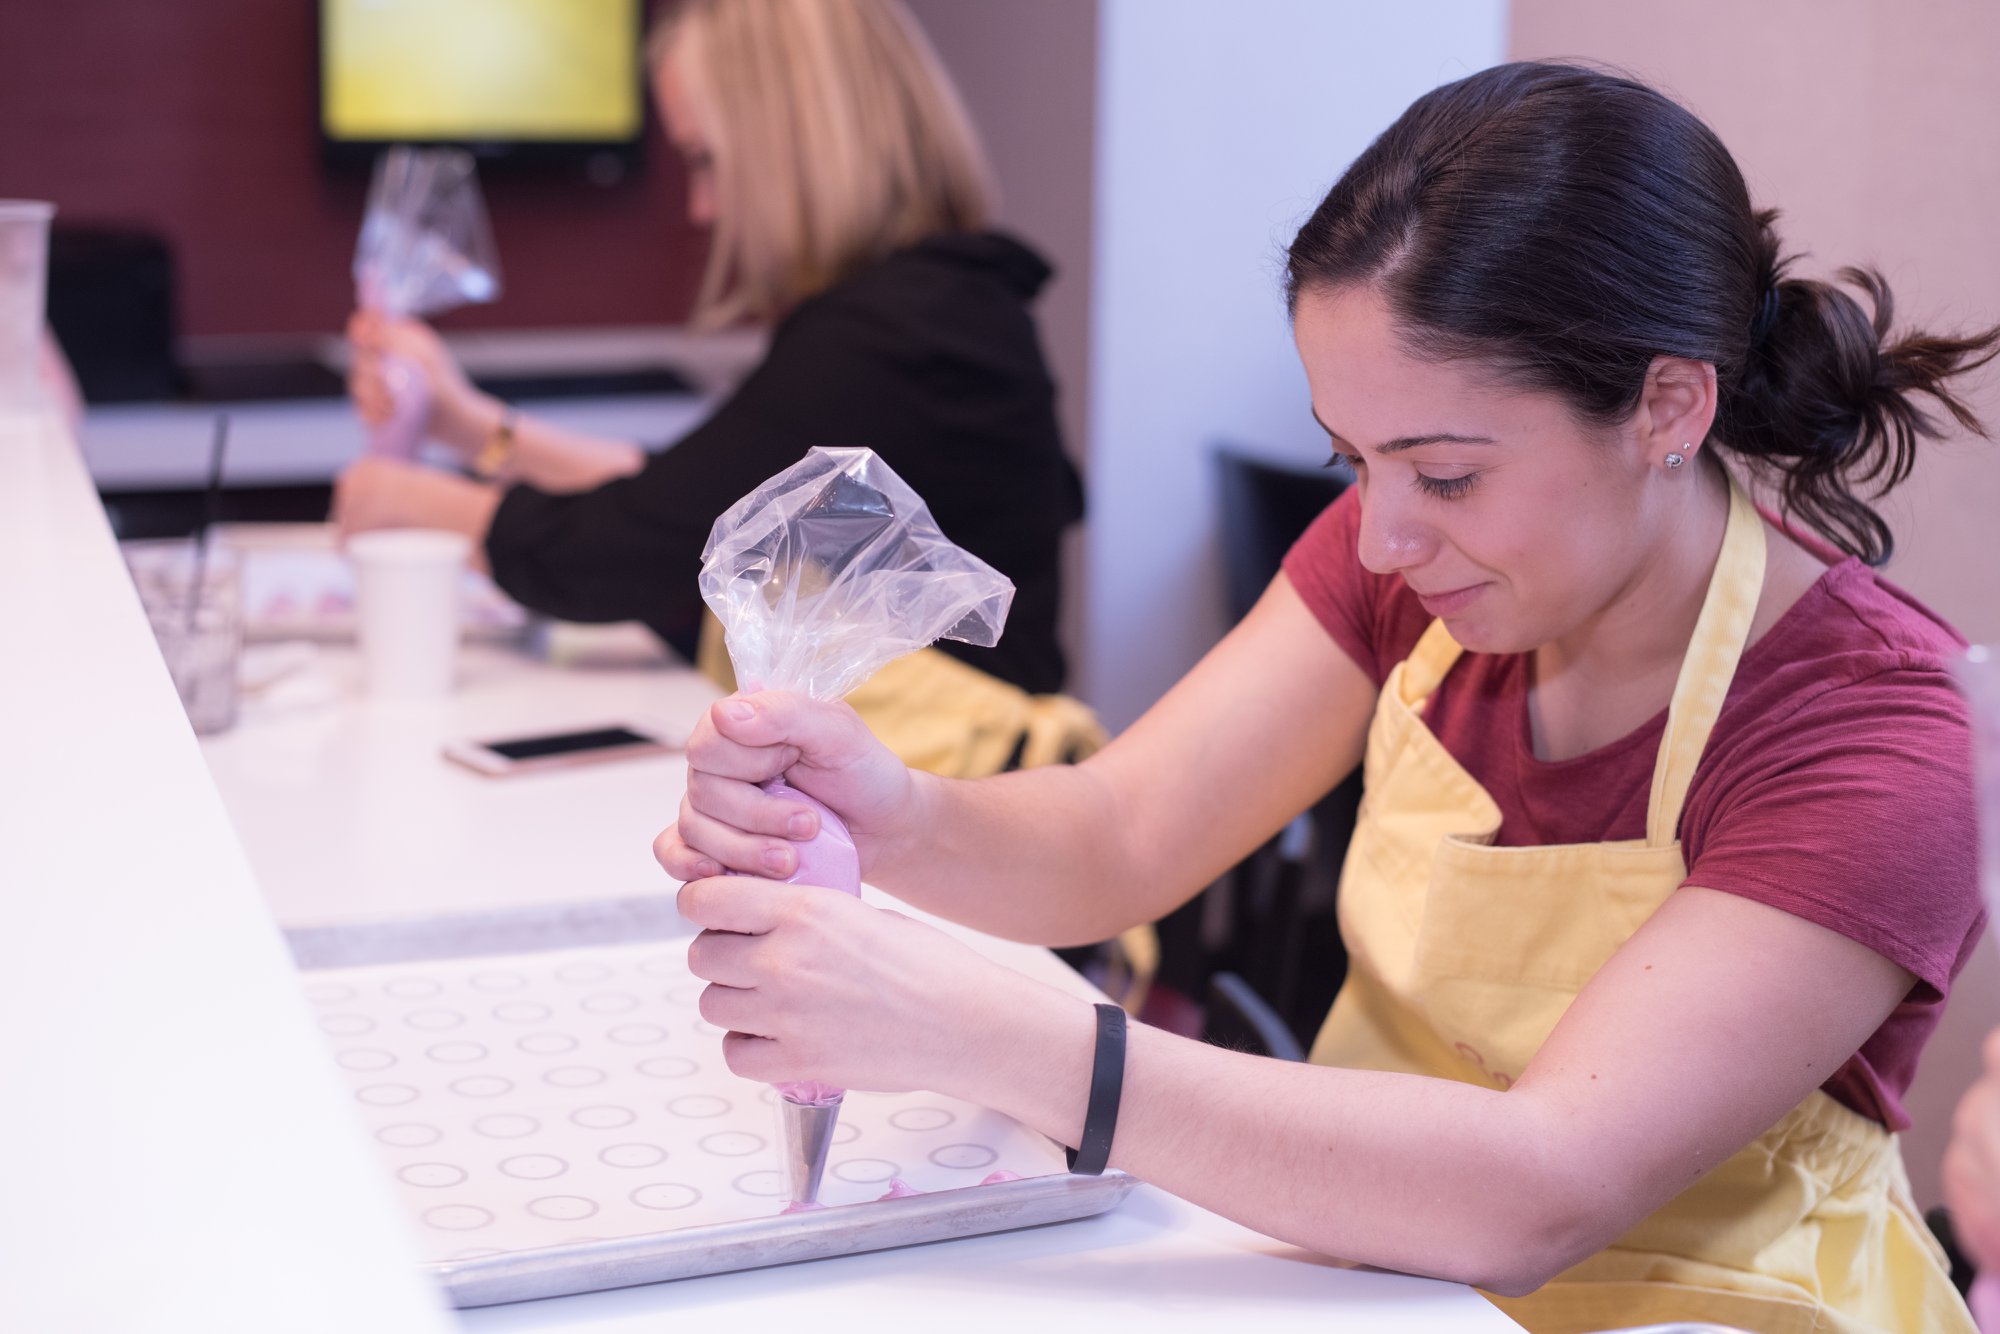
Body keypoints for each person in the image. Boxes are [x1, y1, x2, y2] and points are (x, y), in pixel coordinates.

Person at [656, 62, 1999, 1333]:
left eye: (1448, 473)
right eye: (1352, 457)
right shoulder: (1428, 570)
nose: (1381, 538)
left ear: (1667, 408)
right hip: (1385, 1283)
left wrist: (1001, 1034)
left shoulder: (1869, 732)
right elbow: (1123, 833)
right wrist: (886, 812)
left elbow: (1536, 1186)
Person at [332, 0, 1084, 703]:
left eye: (704, 161)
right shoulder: (928, 309)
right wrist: (471, 428)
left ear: (796, 139)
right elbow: (698, 502)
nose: (702, 207)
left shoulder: (894, 335)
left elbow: (639, 546)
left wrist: (414, 503)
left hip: (955, 795)